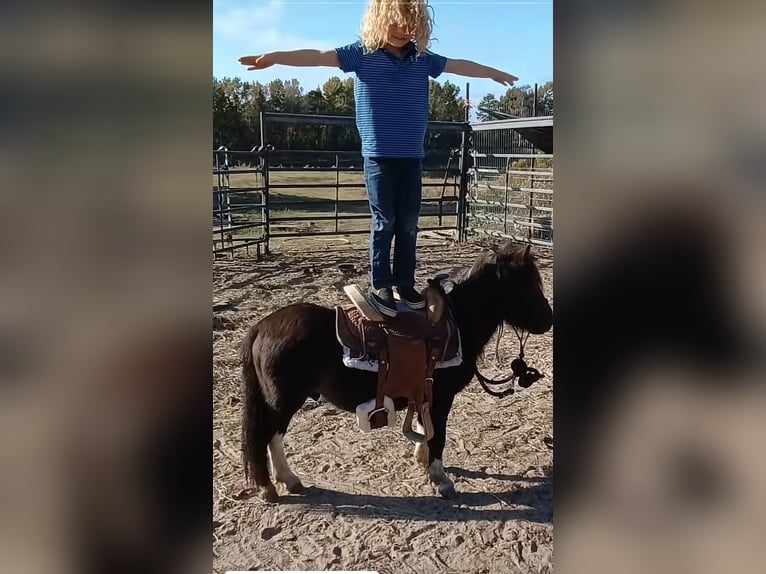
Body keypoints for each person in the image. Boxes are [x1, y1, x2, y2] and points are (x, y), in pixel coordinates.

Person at [240, 0, 517, 317]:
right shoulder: (362, 54)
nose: (401, 29)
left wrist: (492, 72)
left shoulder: (422, 59)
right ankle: (380, 284)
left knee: (409, 224)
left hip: (412, 157)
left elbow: (458, 65)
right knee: (385, 222)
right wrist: (275, 58)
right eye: (395, 21)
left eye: (408, 22)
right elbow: (317, 57)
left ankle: (404, 283)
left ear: (418, 26)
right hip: (379, 158)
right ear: (380, 20)